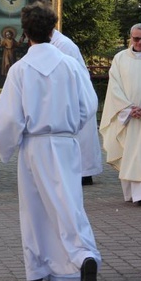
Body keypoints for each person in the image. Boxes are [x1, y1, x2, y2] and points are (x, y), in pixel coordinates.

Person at [0, 2, 100, 281]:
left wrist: (6, 147)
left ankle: (35, 277)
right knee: (69, 204)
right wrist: (70, 127)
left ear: (25, 33)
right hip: (65, 143)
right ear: (53, 30)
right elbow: (89, 104)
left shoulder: (20, 69)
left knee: (34, 211)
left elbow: (6, 119)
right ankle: (84, 255)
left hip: (35, 145)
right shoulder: (69, 65)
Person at [100, 24, 141, 206]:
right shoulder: (120, 58)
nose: (140, 42)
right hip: (127, 117)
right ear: (130, 38)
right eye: (136, 38)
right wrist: (128, 108)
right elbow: (114, 87)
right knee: (131, 156)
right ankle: (134, 194)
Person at [50, 29, 103, 186]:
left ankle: (84, 172)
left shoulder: (64, 45)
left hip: (75, 97)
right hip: (68, 97)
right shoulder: (55, 43)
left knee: (81, 138)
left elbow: (68, 73)